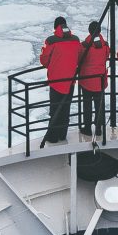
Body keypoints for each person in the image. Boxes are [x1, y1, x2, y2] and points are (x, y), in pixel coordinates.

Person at [38, 15, 80, 145]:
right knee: (65, 108)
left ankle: (53, 136)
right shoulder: (75, 40)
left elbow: (44, 60)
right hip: (71, 80)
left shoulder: (51, 41)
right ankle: (62, 135)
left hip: (56, 81)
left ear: (55, 27)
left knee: (55, 109)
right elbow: (79, 56)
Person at [75, 19, 111, 142]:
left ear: (89, 31)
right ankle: (99, 128)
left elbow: (79, 59)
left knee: (87, 105)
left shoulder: (84, 45)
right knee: (99, 105)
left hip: (86, 79)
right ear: (100, 31)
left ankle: (88, 128)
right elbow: (107, 56)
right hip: (100, 80)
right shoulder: (105, 45)